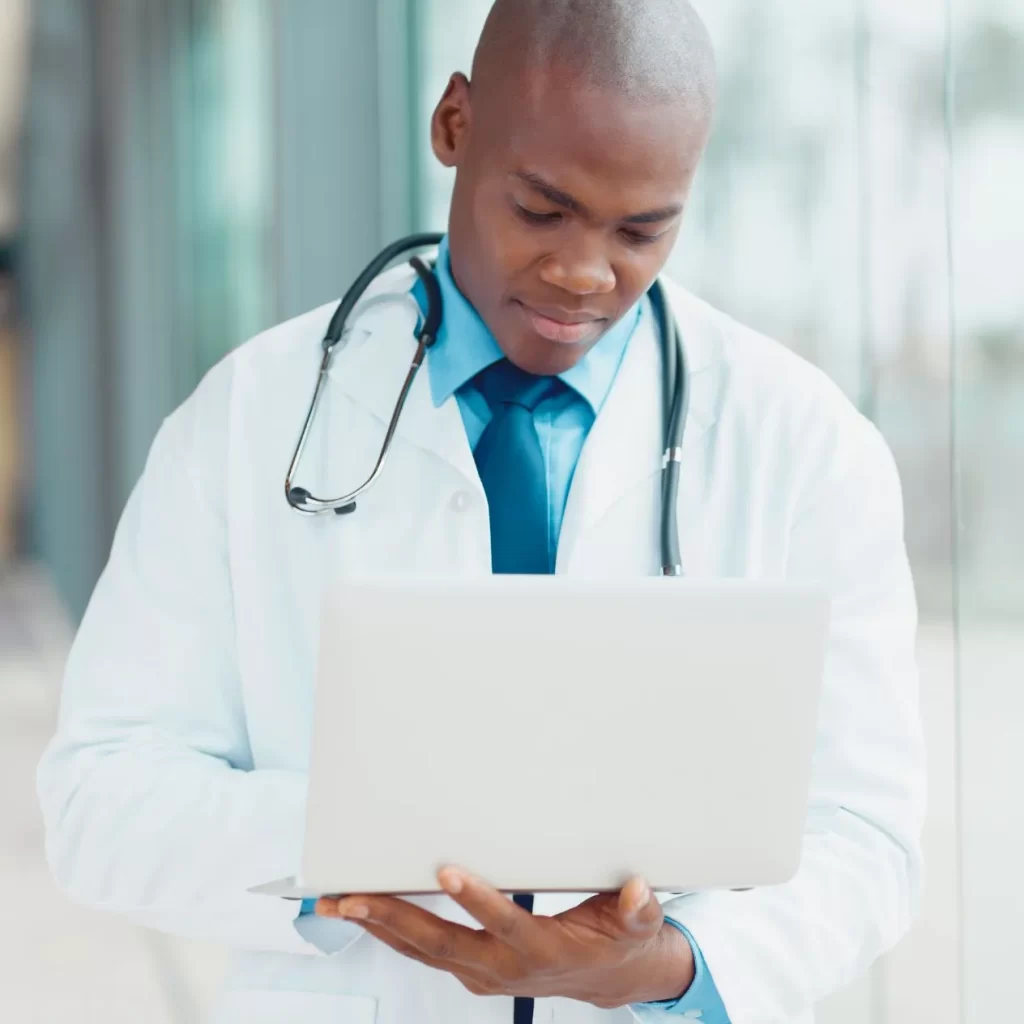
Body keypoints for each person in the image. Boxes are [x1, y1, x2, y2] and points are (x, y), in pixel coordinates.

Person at [36, 1, 925, 1022]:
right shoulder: (248, 415)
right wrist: (361, 844)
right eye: (542, 209)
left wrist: (664, 967)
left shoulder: (806, 445)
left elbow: (867, 833)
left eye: (642, 229)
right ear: (454, 125)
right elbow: (99, 800)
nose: (584, 272)